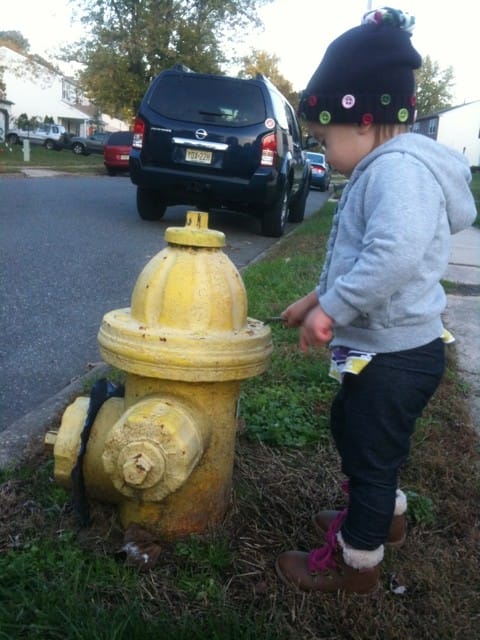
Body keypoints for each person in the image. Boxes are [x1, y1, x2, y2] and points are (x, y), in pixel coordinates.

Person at [275, 7, 477, 595]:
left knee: (370, 456)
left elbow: (392, 255)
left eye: (324, 139)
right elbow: (361, 259)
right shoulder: (384, 167)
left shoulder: (398, 172)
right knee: (355, 431)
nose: (323, 150)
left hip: (397, 357)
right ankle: (385, 517)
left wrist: (333, 310)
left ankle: (355, 564)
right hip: (385, 351)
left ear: (363, 121)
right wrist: (315, 297)